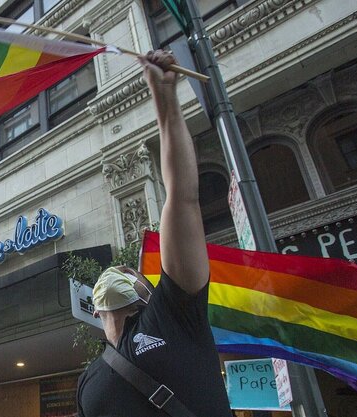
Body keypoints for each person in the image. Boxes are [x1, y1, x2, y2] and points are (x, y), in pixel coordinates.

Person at [76, 50, 231, 417]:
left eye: (132, 273)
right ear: (95, 311)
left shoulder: (174, 314)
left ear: (148, 293)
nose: (120, 272)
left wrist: (165, 101)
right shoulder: (89, 379)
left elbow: (183, 199)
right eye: (113, 273)